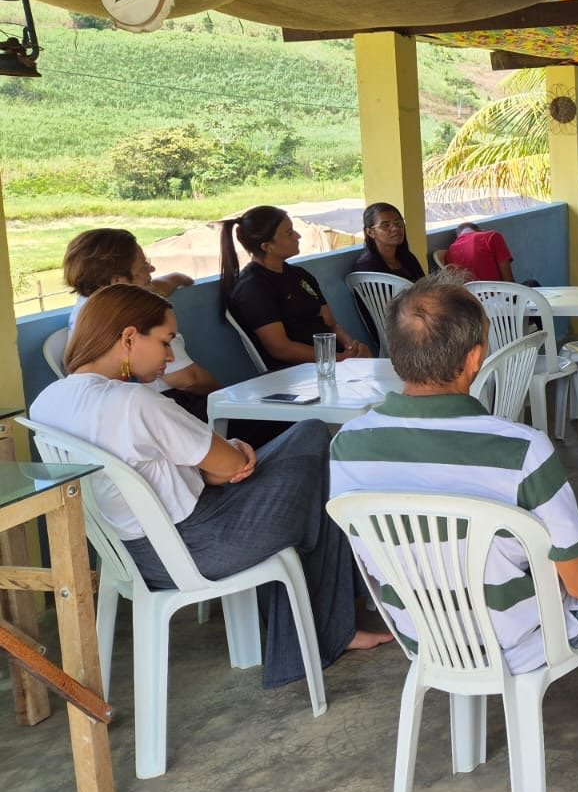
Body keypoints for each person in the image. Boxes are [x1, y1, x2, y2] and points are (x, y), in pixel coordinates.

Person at [30, 284, 390, 688]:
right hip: (200, 545)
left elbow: (199, 470)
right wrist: (232, 454)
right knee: (312, 440)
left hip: (134, 554)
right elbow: (231, 464)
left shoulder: (48, 402)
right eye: (166, 341)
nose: (170, 356)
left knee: (309, 475)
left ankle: (327, 627)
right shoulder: (134, 403)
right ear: (129, 337)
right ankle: (336, 623)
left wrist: (220, 466)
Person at [329, 274, 578, 669]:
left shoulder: (347, 446)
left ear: (396, 354)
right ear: (473, 358)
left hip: (425, 640)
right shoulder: (520, 449)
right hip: (520, 644)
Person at [62, 227, 218, 418]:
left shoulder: (86, 306)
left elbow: (150, 289)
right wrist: (226, 398)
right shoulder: (136, 316)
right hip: (167, 406)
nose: (151, 269)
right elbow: (187, 379)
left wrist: (175, 278)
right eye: (144, 266)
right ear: (117, 281)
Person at [219, 205, 371, 371]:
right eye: (289, 233)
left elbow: (331, 324)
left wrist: (352, 347)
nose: (298, 236)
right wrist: (339, 359)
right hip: (297, 372)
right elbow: (281, 348)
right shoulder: (253, 288)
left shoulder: (299, 275)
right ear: (267, 246)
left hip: (330, 360)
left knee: (369, 359)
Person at [350, 202, 427, 282]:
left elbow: (425, 285)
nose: (395, 228)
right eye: (386, 225)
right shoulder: (365, 268)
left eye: (398, 223)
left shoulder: (407, 257)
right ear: (370, 232)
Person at [442, 222, 517, 283]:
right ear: (481, 231)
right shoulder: (492, 236)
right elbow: (509, 280)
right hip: (501, 297)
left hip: (471, 300)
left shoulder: (449, 253)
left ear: (458, 236)